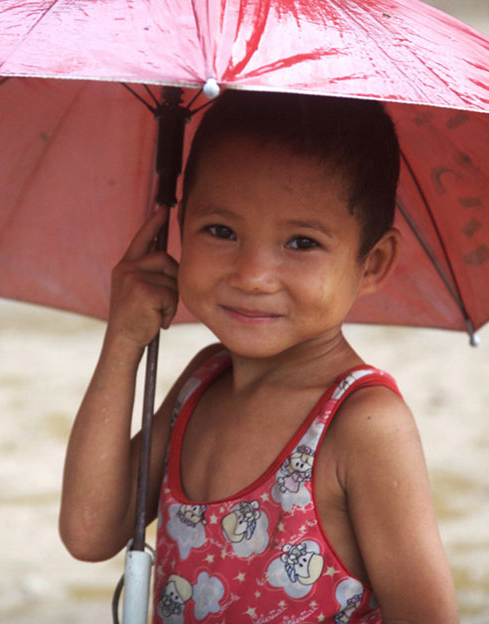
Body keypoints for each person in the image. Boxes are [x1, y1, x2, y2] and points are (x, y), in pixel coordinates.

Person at [59, 90, 457, 623]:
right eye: (221, 232)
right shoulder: (202, 382)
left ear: (373, 262)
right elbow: (89, 530)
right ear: (179, 230)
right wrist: (124, 340)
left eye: (301, 243)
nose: (251, 276)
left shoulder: (364, 426)